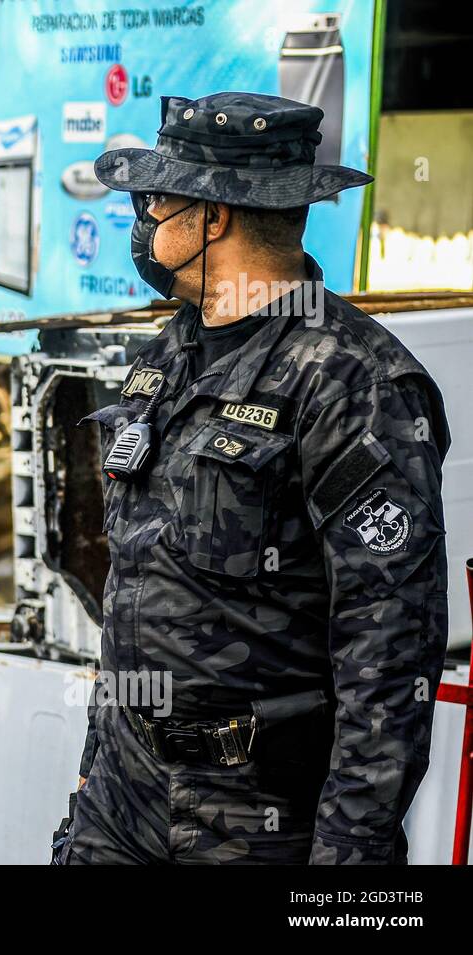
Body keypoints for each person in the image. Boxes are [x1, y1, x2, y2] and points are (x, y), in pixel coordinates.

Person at [57, 92, 449, 864]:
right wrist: (89, 784)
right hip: (122, 799)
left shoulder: (355, 381)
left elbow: (391, 654)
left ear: (215, 217)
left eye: (156, 199)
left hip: (259, 817)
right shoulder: (165, 359)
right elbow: (135, 592)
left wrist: (350, 862)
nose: (143, 220)